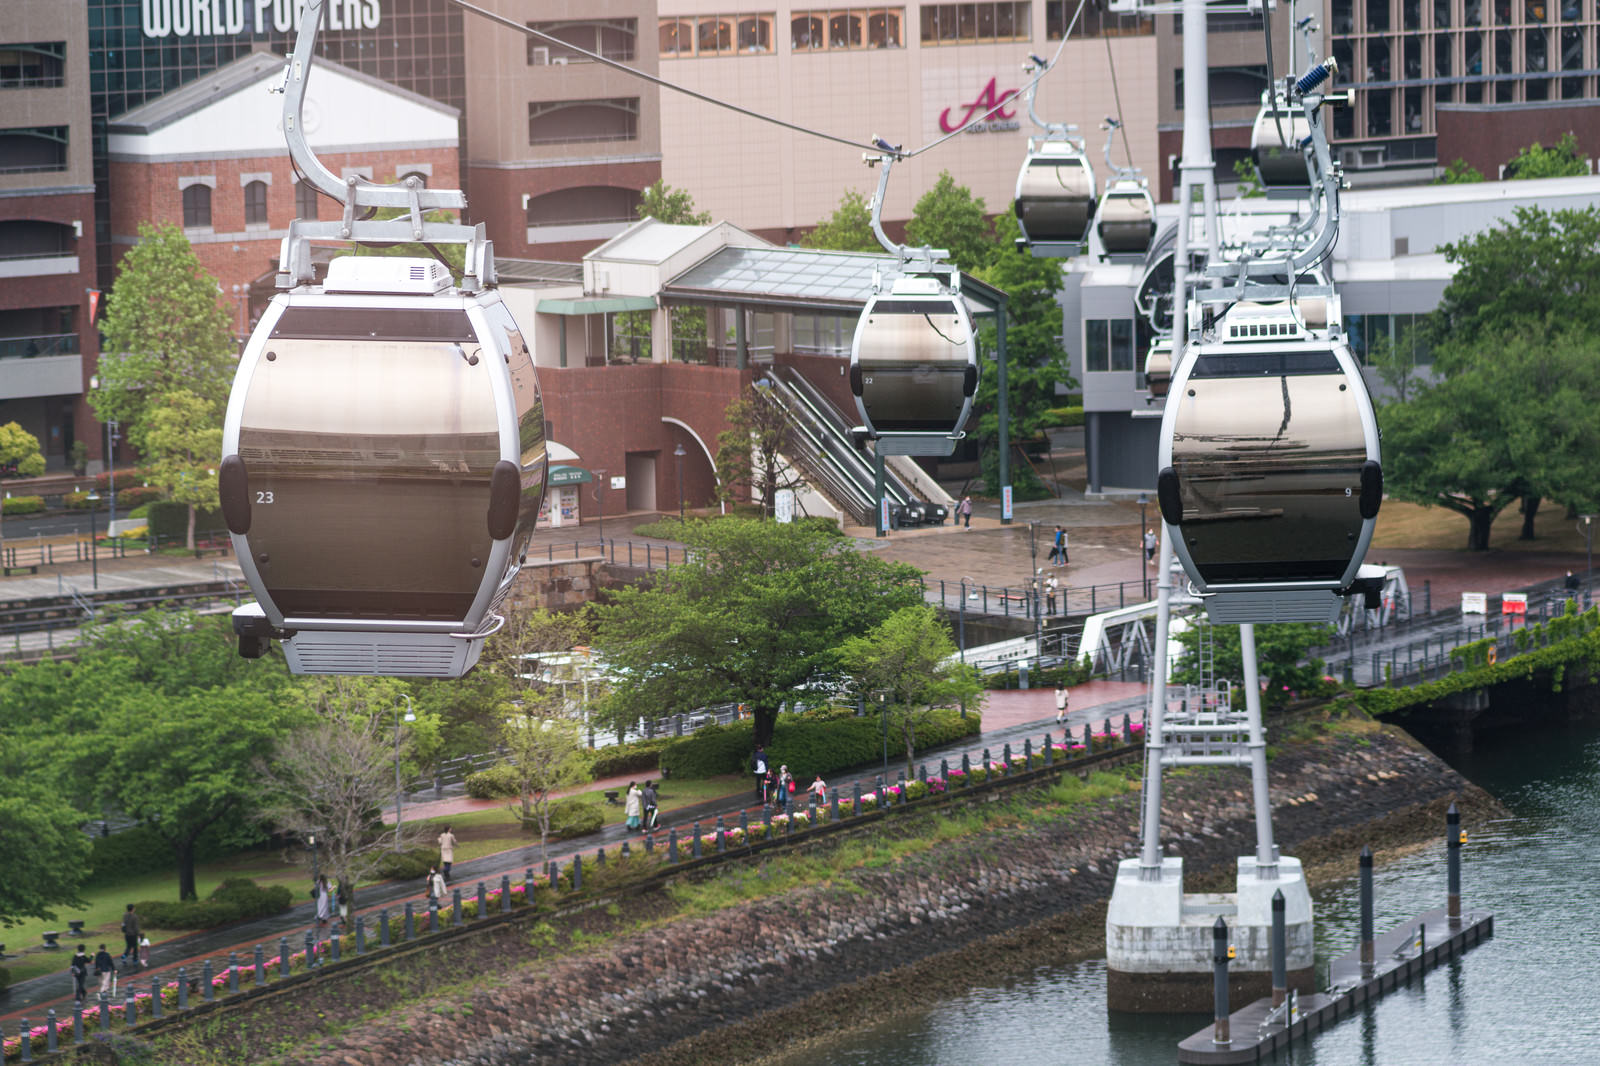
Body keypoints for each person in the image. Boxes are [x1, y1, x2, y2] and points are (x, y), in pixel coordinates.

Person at [120, 904, 140, 969]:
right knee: (135, 947)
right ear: (133, 909)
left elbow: (123, 924)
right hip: (133, 934)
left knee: (128, 946)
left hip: (127, 934)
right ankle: (135, 959)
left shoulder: (124, 915)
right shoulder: (135, 917)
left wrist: (124, 931)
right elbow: (136, 927)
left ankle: (124, 955)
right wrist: (138, 934)